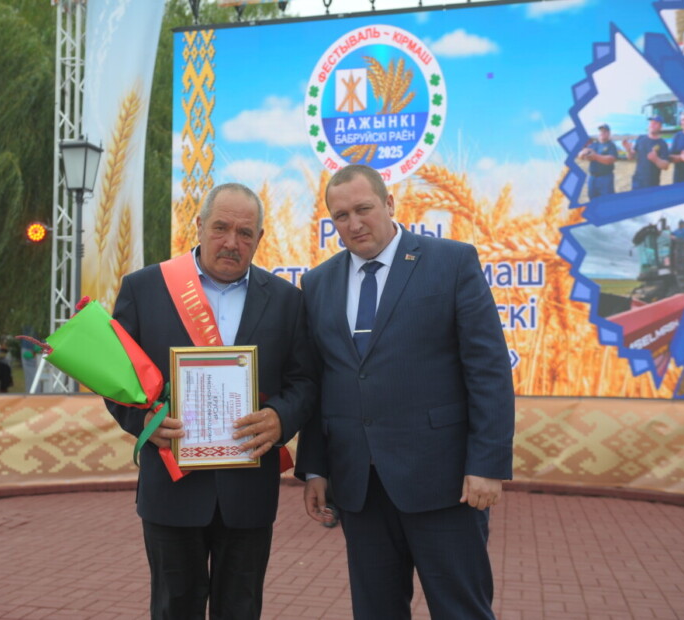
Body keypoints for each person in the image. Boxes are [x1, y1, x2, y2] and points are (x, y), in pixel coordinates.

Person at [295, 165, 515, 619]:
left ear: (390, 204)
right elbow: (321, 381)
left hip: (444, 483)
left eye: (363, 209)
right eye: (341, 216)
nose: (354, 224)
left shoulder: (452, 262)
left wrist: (487, 464)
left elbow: (488, 369)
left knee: (461, 611)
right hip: (359, 486)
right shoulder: (317, 283)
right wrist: (316, 467)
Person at [105, 183, 316, 619]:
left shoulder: (287, 301)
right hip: (172, 488)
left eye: (245, 233)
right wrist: (145, 421)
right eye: (221, 228)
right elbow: (115, 377)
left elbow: (305, 381)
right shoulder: (144, 289)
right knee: (174, 608)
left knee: (241, 609)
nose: (231, 242)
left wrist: (281, 417)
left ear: (259, 238)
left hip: (249, 493)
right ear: (199, 226)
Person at [623, 116, 670, 189]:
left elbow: (666, 166)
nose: (652, 124)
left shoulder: (662, 144)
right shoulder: (641, 138)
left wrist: (656, 159)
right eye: (651, 122)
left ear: (660, 127)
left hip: (652, 184)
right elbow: (631, 157)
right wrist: (628, 150)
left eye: (655, 123)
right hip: (637, 182)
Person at [579, 123, 618, 199]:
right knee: (592, 199)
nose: (602, 133)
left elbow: (610, 160)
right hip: (592, 178)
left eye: (605, 131)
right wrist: (583, 153)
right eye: (601, 131)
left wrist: (595, 156)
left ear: (609, 133)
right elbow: (581, 155)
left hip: (605, 178)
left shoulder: (611, 145)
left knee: (607, 200)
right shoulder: (593, 145)